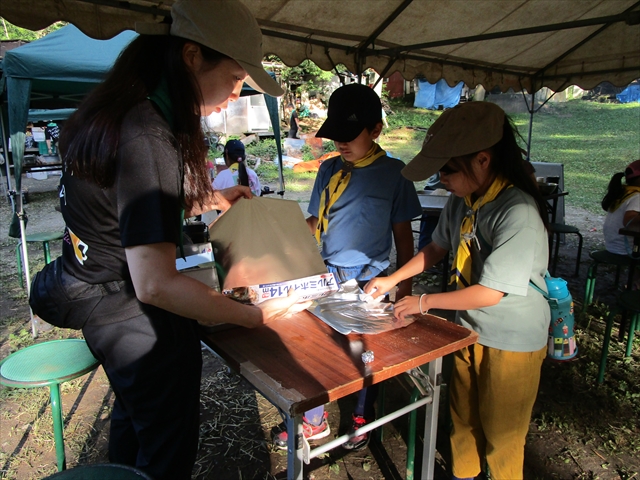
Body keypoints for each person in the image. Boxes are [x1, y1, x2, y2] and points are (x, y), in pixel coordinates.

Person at [56, 1, 308, 479]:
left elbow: (130, 209)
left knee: (135, 426)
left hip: (103, 310)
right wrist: (252, 315)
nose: (236, 95)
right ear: (191, 55)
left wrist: (209, 198)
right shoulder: (148, 134)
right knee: (166, 454)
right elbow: (156, 284)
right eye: (235, 78)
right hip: (134, 318)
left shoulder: (121, 112)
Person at [365, 101, 550, 479]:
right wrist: (394, 279)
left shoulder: (517, 212)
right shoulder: (463, 200)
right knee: (462, 416)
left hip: (511, 339)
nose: (441, 179)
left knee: (502, 432)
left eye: (446, 170)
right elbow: (436, 247)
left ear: (482, 160)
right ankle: (464, 474)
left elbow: (490, 293)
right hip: (469, 328)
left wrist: (423, 302)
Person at [272, 83, 421, 451]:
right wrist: (277, 237)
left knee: (364, 351)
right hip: (327, 274)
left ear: (376, 131)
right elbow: (316, 222)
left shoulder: (395, 175)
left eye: (349, 135)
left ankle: (361, 414)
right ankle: (314, 419)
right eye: (335, 134)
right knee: (318, 348)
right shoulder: (328, 170)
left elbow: (404, 238)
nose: (340, 143)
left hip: (371, 280)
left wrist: (404, 290)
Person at [602, 159, 640, 257]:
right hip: (625, 248)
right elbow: (629, 220)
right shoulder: (637, 197)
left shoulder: (625, 192)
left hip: (613, 245)